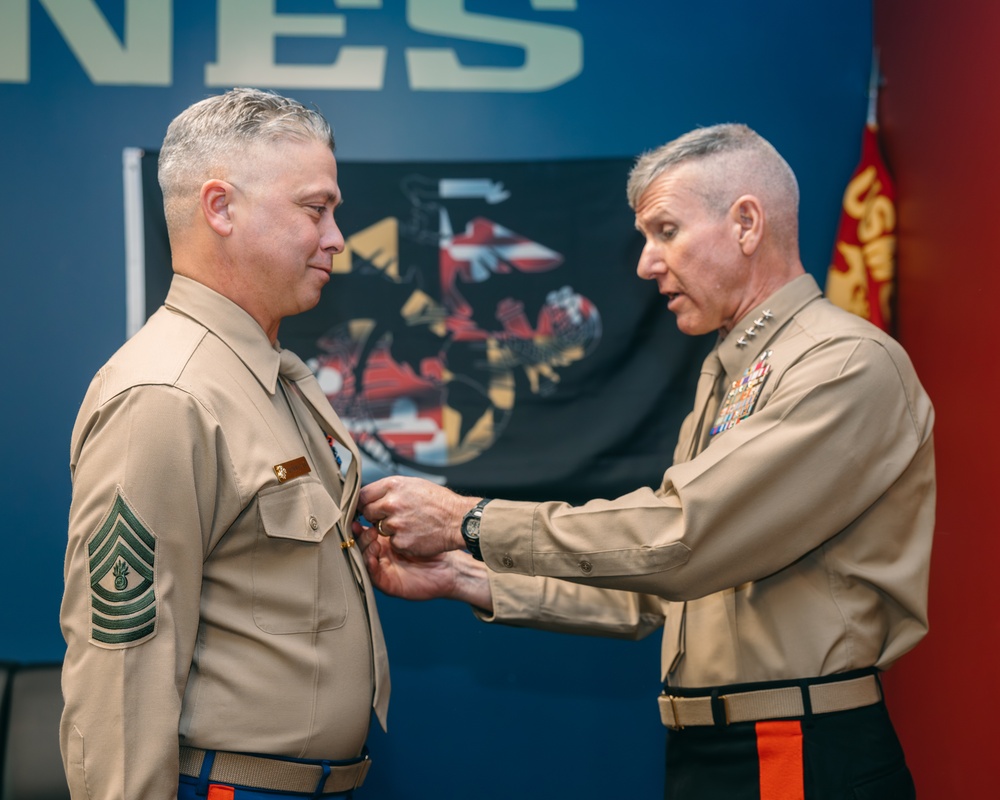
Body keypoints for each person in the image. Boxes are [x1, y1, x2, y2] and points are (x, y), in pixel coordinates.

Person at [354, 123, 935, 799]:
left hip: (794, 747)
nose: (646, 262)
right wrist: (467, 577)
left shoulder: (841, 365)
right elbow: (659, 588)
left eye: (665, 231)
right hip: (717, 749)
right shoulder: (731, 369)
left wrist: (469, 521)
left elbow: (680, 537)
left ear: (746, 223)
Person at [60, 88, 389, 800]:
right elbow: (121, 665)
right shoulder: (166, 394)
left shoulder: (265, 378)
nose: (337, 238)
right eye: (315, 209)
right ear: (220, 208)